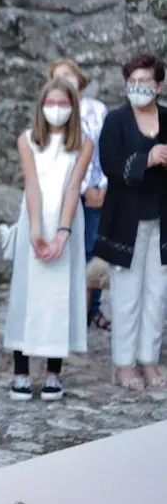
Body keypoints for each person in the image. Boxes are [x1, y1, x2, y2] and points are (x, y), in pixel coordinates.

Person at [4, 78, 92, 401]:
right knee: (27, 293)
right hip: (35, 216)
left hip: (66, 219)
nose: (56, 110)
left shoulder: (83, 144)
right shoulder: (27, 140)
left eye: (63, 104)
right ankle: (21, 370)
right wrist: (37, 232)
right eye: (50, 103)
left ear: (74, 107)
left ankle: (54, 372)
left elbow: (73, 188)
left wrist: (62, 235)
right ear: (41, 107)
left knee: (60, 295)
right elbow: (32, 185)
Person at [94, 54, 167, 391]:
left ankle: (149, 360)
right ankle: (124, 364)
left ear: (160, 85)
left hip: (161, 220)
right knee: (126, 294)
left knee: (157, 293)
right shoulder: (116, 121)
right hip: (126, 220)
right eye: (132, 82)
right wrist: (146, 159)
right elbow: (110, 165)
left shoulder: (166, 117)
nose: (138, 88)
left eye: (145, 82)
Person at [48, 59, 111, 331]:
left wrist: (103, 185)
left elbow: (107, 147)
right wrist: (84, 187)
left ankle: (92, 309)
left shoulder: (97, 110)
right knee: (70, 249)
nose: (65, 80)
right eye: (58, 76)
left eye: (68, 75)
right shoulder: (54, 112)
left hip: (98, 187)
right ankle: (69, 311)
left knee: (93, 248)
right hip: (69, 190)